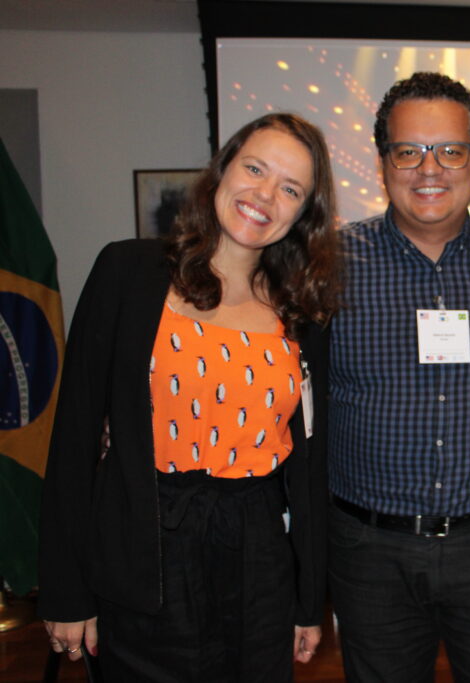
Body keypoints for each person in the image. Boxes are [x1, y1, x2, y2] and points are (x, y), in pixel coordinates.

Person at [38, 112, 342, 681]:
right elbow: (75, 437)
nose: (265, 195)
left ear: (305, 214)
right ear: (223, 169)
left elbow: (307, 465)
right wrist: (65, 590)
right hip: (143, 550)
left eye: (291, 188)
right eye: (255, 168)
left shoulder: (302, 311)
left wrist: (308, 598)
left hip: (259, 561)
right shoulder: (127, 272)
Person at [326, 72, 470, 682]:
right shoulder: (326, 267)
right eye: (410, 151)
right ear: (383, 162)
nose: (431, 169)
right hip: (369, 552)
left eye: (450, 151)